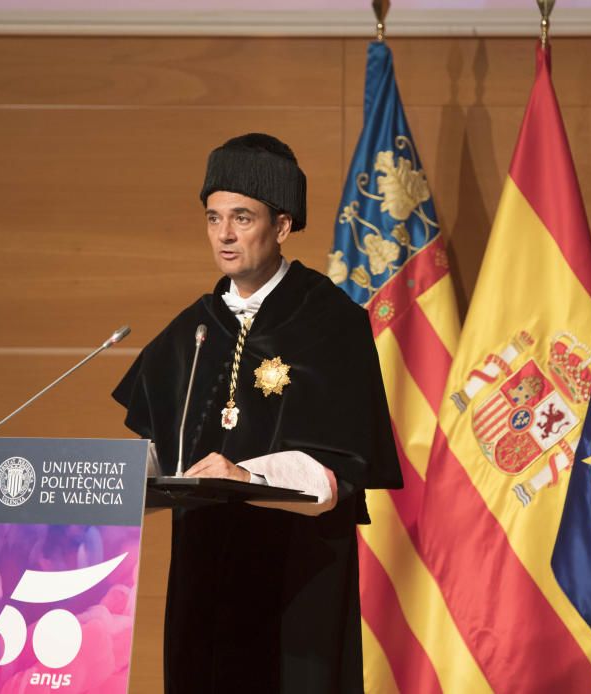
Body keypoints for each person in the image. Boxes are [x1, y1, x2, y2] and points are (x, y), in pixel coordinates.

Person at [112, 133, 402, 693]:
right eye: (213, 217)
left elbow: (339, 473)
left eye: (242, 218)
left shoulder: (331, 324)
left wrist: (246, 476)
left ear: (283, 226)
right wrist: (96, 478)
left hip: (296, 579)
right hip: (205, 571)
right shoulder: (189, 331)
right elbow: (164, 451)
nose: (224, 234)